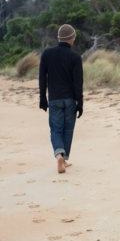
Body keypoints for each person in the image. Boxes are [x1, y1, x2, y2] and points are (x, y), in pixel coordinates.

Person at [39, 24, 83, 174]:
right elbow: (78, 83)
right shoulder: (75, 57)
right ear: (71, 39)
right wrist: (80, 103)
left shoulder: (47, 54)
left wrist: (42, 98)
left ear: (59, 38)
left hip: (54, 100)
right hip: (70, 100)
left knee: (56, 130)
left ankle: (59, 155)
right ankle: (63, 160)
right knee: (68, 130)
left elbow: (42, 78)